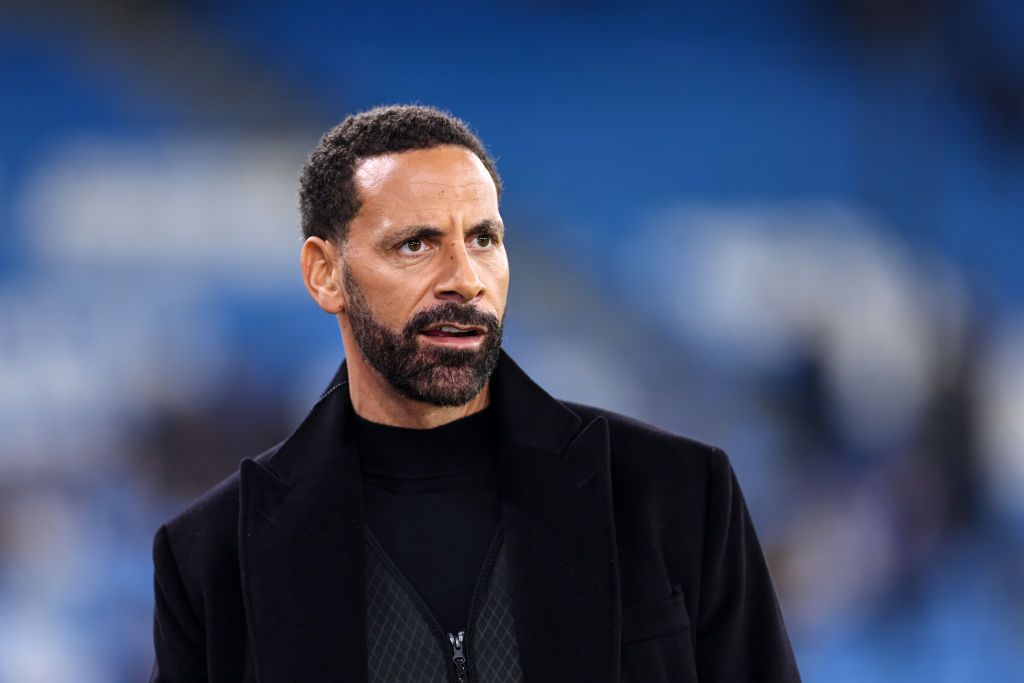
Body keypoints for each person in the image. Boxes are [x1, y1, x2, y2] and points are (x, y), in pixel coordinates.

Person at [149, 104, 800, 683]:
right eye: (416, 244)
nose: (464, 278)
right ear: (326, 275)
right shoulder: (211, 556)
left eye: (484, 239)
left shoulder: (680, 494)